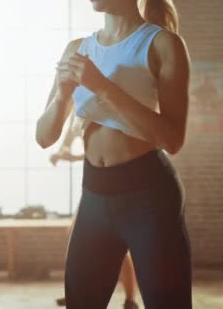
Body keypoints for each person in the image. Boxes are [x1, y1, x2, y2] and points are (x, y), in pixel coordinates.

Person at [35, 0, 192, 307]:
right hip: (95, 195)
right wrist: (62, 96)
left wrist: (102, 86)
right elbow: (44, 136)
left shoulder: (162, 44)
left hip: (149, 198)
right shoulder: (77, 48)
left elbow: (173, 138)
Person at [50, 110, 139, 309]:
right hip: (94, 182)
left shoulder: (101, 107)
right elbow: (67, 140)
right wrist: (61, 152)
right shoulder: (76, 112)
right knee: (75, 234)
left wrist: (71, 159)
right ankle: (78, 290)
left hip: (117, 179)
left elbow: (105, 150)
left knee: (119, 243)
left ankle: (131, 299)